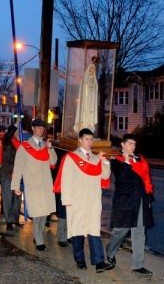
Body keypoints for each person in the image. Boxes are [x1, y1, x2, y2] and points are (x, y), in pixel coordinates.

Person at [56, 128, 113, 272]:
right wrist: (67, 200)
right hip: (77, 200)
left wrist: (104, 161)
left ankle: (99, 261)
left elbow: (105, 176)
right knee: (78, 230)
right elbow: (66, 180)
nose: (89, 142)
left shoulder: (95, 158)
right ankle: (79, 259)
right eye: (86, 139)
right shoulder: (71, 157)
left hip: (93, 200)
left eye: (91, 139)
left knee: (94, 230)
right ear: (80, 140)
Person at [106, 134, 154, 276]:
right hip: (125, 201)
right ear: (122, 145)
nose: (132, 146)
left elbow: (146, 179)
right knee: (122, 230)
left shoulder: (141, 160)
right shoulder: (116, 161)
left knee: (139, 232)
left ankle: (137, 265)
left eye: (134, 144)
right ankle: (110, 251)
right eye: (129, 144)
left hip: (140, 200)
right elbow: (121, 178)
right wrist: (127, 162)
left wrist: (148, 198)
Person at [11, 118, 57, 251]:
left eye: (43, 128)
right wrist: (15, 186)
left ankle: (38, 235)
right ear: (33, 128)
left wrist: (50, 148)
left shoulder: (45, 145)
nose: (41, 130)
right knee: (37, 213)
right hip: (33, 184)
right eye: (38, 127)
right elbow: (18, 167)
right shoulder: (24, 146)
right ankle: (39, 239)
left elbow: (53, 161)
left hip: (46, 184)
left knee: (44, 213)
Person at [0, 122, 22, 231]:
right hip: (7, 173)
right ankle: (8, 221)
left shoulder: (19, 142)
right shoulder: (7, 140)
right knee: (7, 198)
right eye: (18, 130)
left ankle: (15, 219)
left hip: (18, 174)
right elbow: (8, 134)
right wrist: (16, 125)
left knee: (17, 198)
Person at [73, 56, 99, 134]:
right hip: (85, 102)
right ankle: (82, 128)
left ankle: (89, 127)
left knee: (90, 115)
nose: (92, 71)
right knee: (84, 115)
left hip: (91, 102)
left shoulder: (94, 82)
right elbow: (82, 91)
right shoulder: (84, 81)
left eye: (93, 70)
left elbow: (95, 91)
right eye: (91, 69)